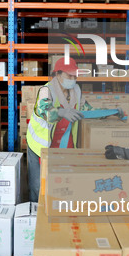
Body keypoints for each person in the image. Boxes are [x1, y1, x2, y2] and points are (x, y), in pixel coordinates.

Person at [26, 57, 92, 202]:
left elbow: (87, 109)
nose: (73, 78)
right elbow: (45, 111)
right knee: (39, 187)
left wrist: (107, 113)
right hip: (41, 147)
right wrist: (62, 112)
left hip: (65, 145)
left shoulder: (76, 90)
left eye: (75, 75)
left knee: (61, 185)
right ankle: (36, 217)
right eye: (69, 75)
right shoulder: (46, 90)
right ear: (58, 74)